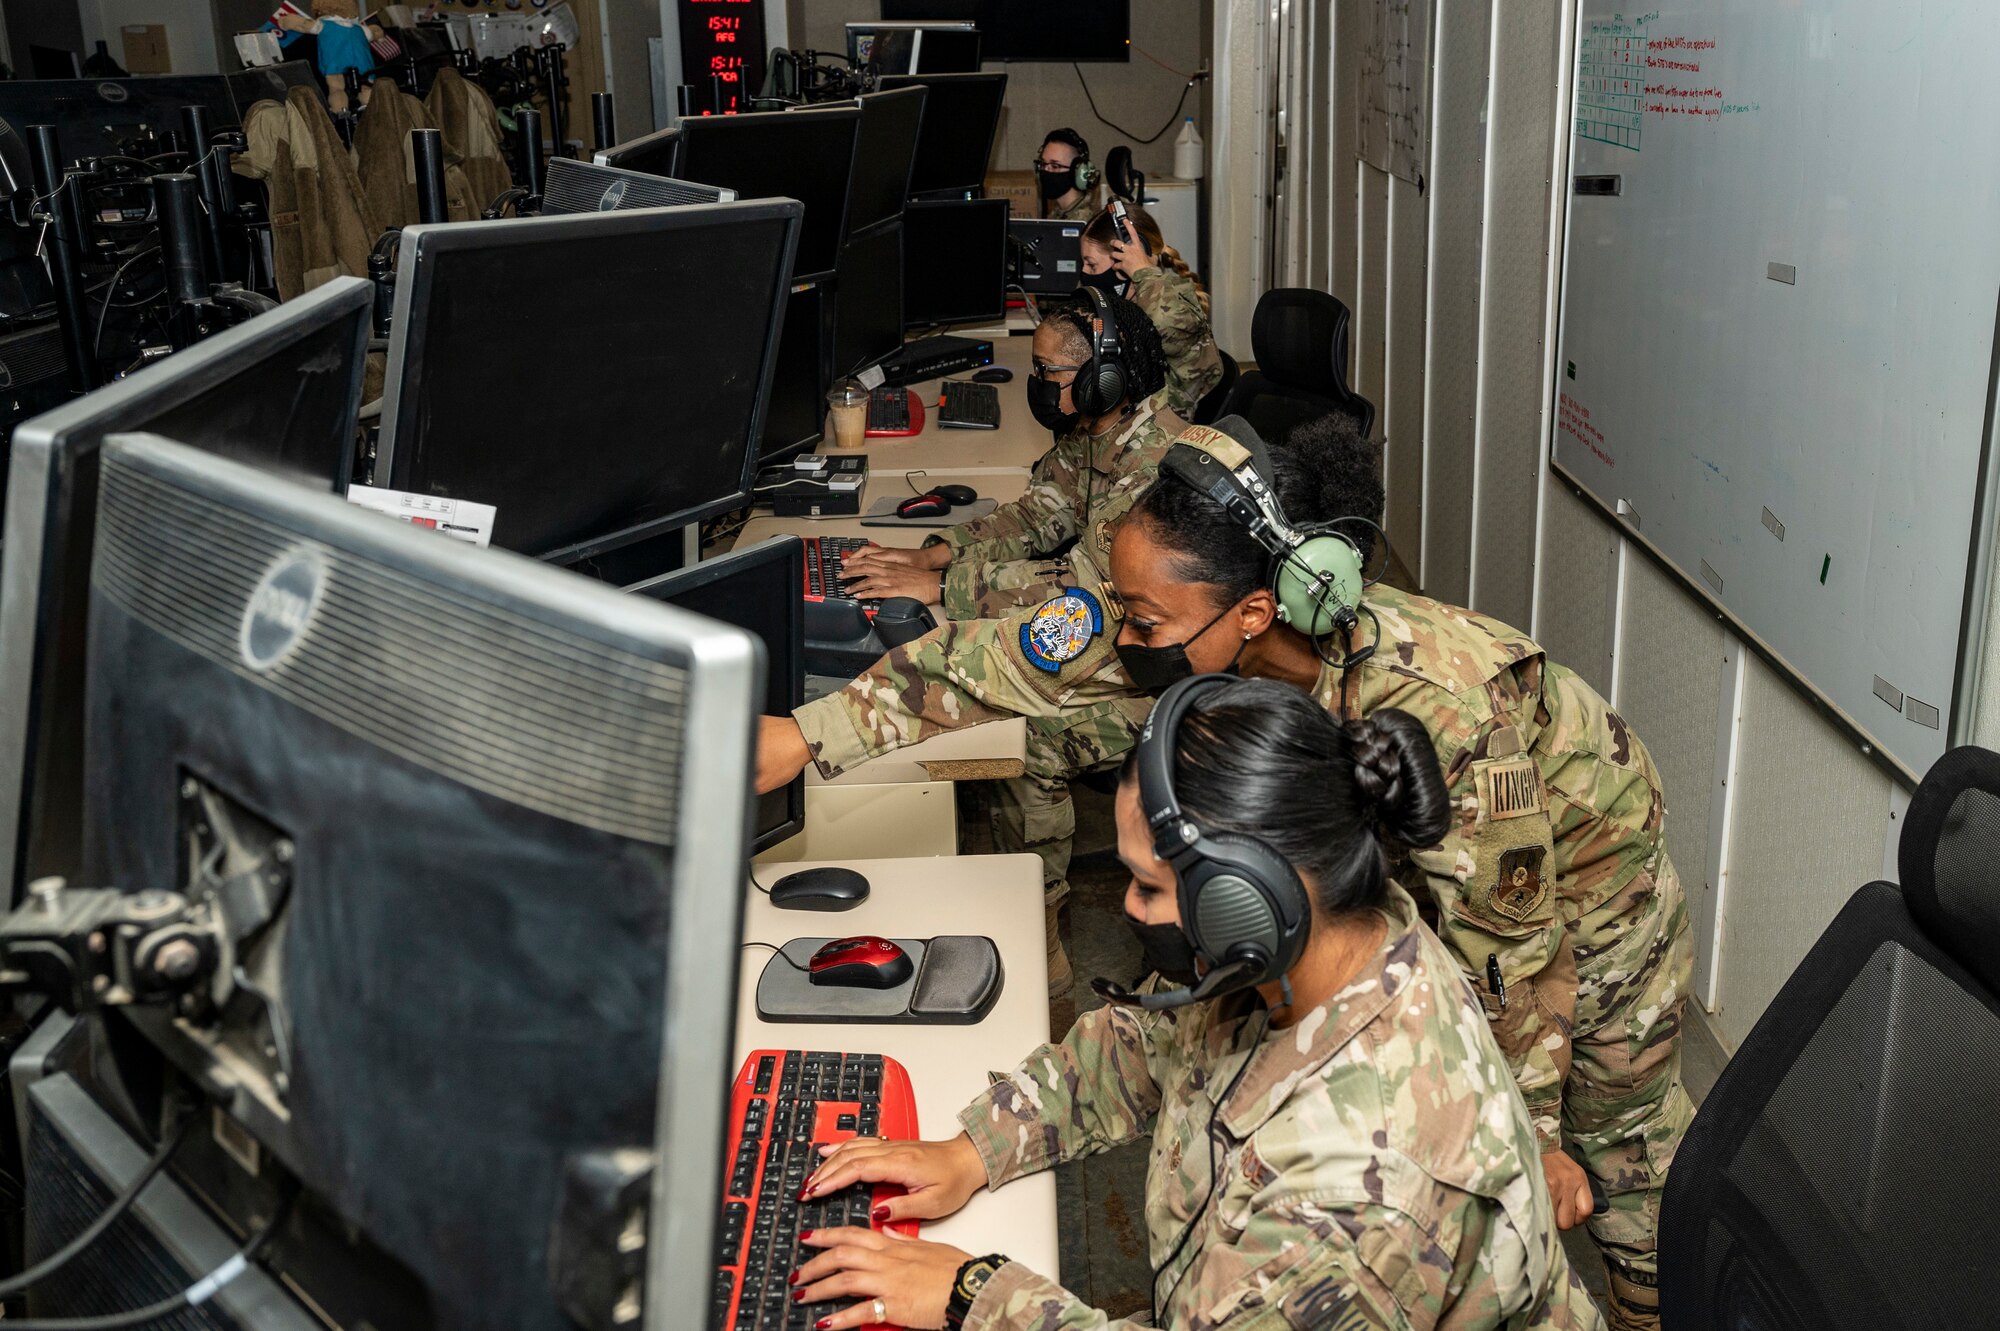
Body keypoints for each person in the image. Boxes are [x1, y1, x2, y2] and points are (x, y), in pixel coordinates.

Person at [754, 413, 1689, 1331]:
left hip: (1582, 883)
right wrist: (807, 735)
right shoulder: (1178, 614)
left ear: (1251, 615)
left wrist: (1536, 1133)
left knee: (1621, 1151)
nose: (1120, 636)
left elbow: (1510, 942)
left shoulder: (1441, 701)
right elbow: (993, 661)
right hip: (1372, 903)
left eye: (1142, 618)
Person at [779, 677, 1604, 1331]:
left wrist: (972, 1295)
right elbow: (1147, 1040)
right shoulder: (1320, 939)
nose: (1128, 910)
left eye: (1148, 885)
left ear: (1251, 899)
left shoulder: (1361, 1191)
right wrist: (974, 1150)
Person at [779, 290, 1182, 994]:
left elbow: (1082, 598)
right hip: (1112, 636)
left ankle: (1037, 930)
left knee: (1023, 731)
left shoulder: (1149, 468)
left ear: (1103, 376)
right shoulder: (1099, 432)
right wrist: (937, 552)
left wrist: (946, 588)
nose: (1039, 389)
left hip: (1149, 672)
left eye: (1051, 374)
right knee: (973, 675)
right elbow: (1037, 513)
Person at [1081, 205, 1223, 421]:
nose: (1083, 272)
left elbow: (1163, 326)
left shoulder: (1175, 307)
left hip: (1167, 436)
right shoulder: (1123, 305)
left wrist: (1142, 271)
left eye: (1091, 265)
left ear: (1124, 263)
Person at [1036, 128, 1101, 223]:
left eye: (1055, 166)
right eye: (1043, 164)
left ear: (1078, 171)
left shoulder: (1087, 224)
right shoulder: (1057, 215)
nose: (1046, 170)